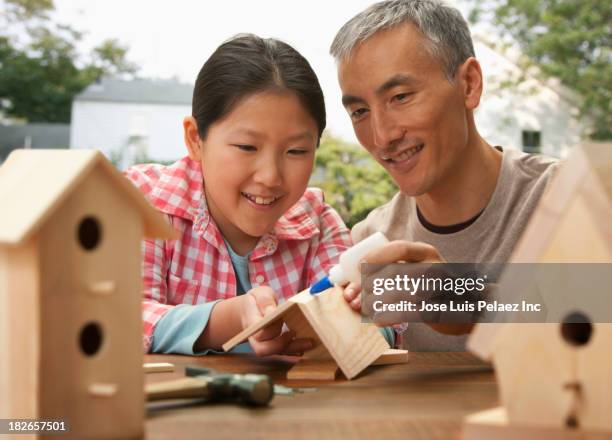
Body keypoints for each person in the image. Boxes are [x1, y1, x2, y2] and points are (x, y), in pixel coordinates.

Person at [330, 0, 558, 350]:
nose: (381, 136)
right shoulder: (371, 243)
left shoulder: (566, 199)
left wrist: (468, 302)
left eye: (401, 97)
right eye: (360, 111)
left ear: (469, 84)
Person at [125, 34, 363, 356]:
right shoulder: (139, 200)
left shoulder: (318, 222)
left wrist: (385, 293)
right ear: (196, 139)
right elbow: (116, 319)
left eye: (296, 151)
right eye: (247, 147)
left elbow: (372, 329)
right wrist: (228, 319)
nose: (270, 176)